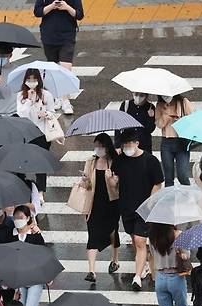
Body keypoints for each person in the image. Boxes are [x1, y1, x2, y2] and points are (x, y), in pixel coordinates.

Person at [112, 132, 164, 291]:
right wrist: (111, 180)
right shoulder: (119, 161)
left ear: (137, 143)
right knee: (134, 239)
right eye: (124, 145)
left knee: (141, 241)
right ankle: (144, 263)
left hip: (144, 208)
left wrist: (150, 202)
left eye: (129, 144)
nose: (127, 148)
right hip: (126, 207)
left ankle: (137, 277)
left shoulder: (150, 161)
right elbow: (116, 183)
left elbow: (158, 183)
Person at [81, 133, 120, 282]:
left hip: (111, 204)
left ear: (107, 147)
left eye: (101, 146)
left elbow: (118, 186)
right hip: (93, 203)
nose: (98, 149)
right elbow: (86, 185)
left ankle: (115, 259)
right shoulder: (90, 162)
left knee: (112, 231)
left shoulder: (115, 162)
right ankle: (91, 271)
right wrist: (85, 180)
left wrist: (112, 180)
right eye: (96, 146)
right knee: (92, 234)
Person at [34, 0, 84, 115]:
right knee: (54, 68)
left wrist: (67, 7)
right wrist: (51, 6)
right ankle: (57, 97)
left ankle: (65, 100)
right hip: (49, 36)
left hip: (67, 36)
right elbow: (37, 12)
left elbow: (79, 15)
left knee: (66, 68)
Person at [16, 68, 56, 201]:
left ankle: (40, 191)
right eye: (29, 79)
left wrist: (46, 114)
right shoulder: (21, 96)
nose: (32, 82)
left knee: (41, 163)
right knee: (23, 161)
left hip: (42, 134)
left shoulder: (46, 95)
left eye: (34, 79)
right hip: (26, 133)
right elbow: (21, 114)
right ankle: (23, 187)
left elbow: (52, 112)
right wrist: (29, 101)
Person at [149, 223, 188, 306]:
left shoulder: (152, 237)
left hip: (160, 277)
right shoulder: (178, 235)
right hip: (176, 277)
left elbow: (153, 256)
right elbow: (186, 255)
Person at [10, 205, 47, 306]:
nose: (18, 220)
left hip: (35, 279)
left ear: (28, 219)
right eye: (16, 218)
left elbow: (44, 256)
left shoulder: (35, 236)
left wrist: (47, 276)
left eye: (21, 217)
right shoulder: (12, 236)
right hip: (20, 280)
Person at [155, 94, 194, 187]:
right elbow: (159, 124)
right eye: (163, 95)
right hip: (166, 142)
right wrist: (166, 116)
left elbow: (193, 119)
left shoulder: (183, 102)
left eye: (168, 95)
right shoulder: (160, 105)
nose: (166, 97)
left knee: (183, 175)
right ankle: (170, 200)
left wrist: (181, 120)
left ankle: (188, 197)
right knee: (168, 178)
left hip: (182, 141)